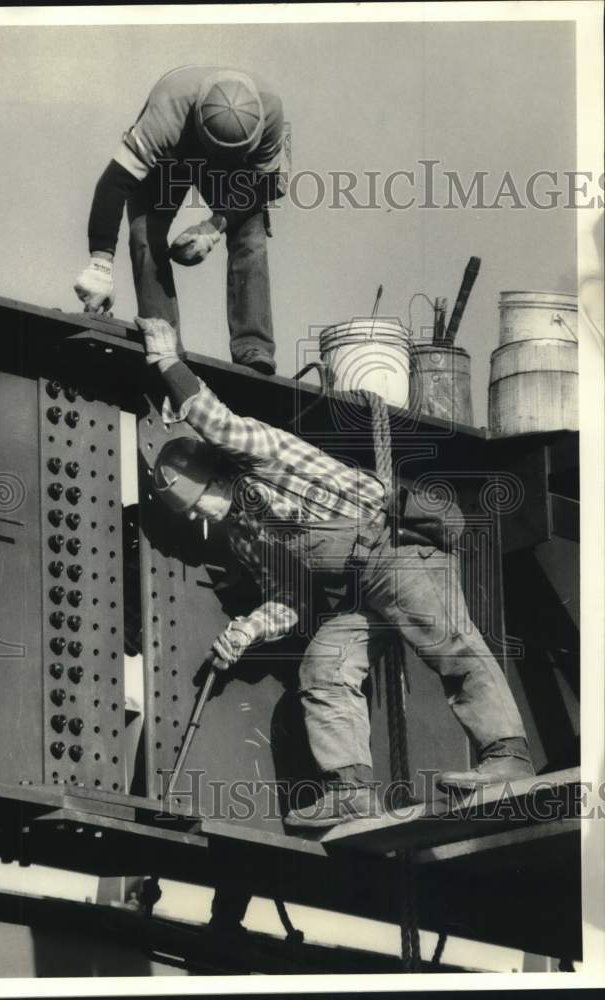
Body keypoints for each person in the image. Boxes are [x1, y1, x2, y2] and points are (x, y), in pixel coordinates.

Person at [136, 316, 535, 829]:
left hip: (393, 551)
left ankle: (506, 756)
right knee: (323, 667)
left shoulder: (260, 455)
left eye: (197, 503)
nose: (198, 517)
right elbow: (291, 600)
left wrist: (165, 361)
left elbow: (214, 420)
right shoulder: (241, 534)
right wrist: (247, 632)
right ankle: (352, 791)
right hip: (356, 595)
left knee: (448, 642)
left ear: (213, 474)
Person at [74, 66, 288, 376]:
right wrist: (100, 265)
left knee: (250, 230)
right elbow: (114, 182)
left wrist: (213, 228)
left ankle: (253, 346)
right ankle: (165, 343)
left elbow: (264, 186)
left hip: (237, 170)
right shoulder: (166, 113)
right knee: (145, 231)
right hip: (172, 156)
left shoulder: (271, 114)